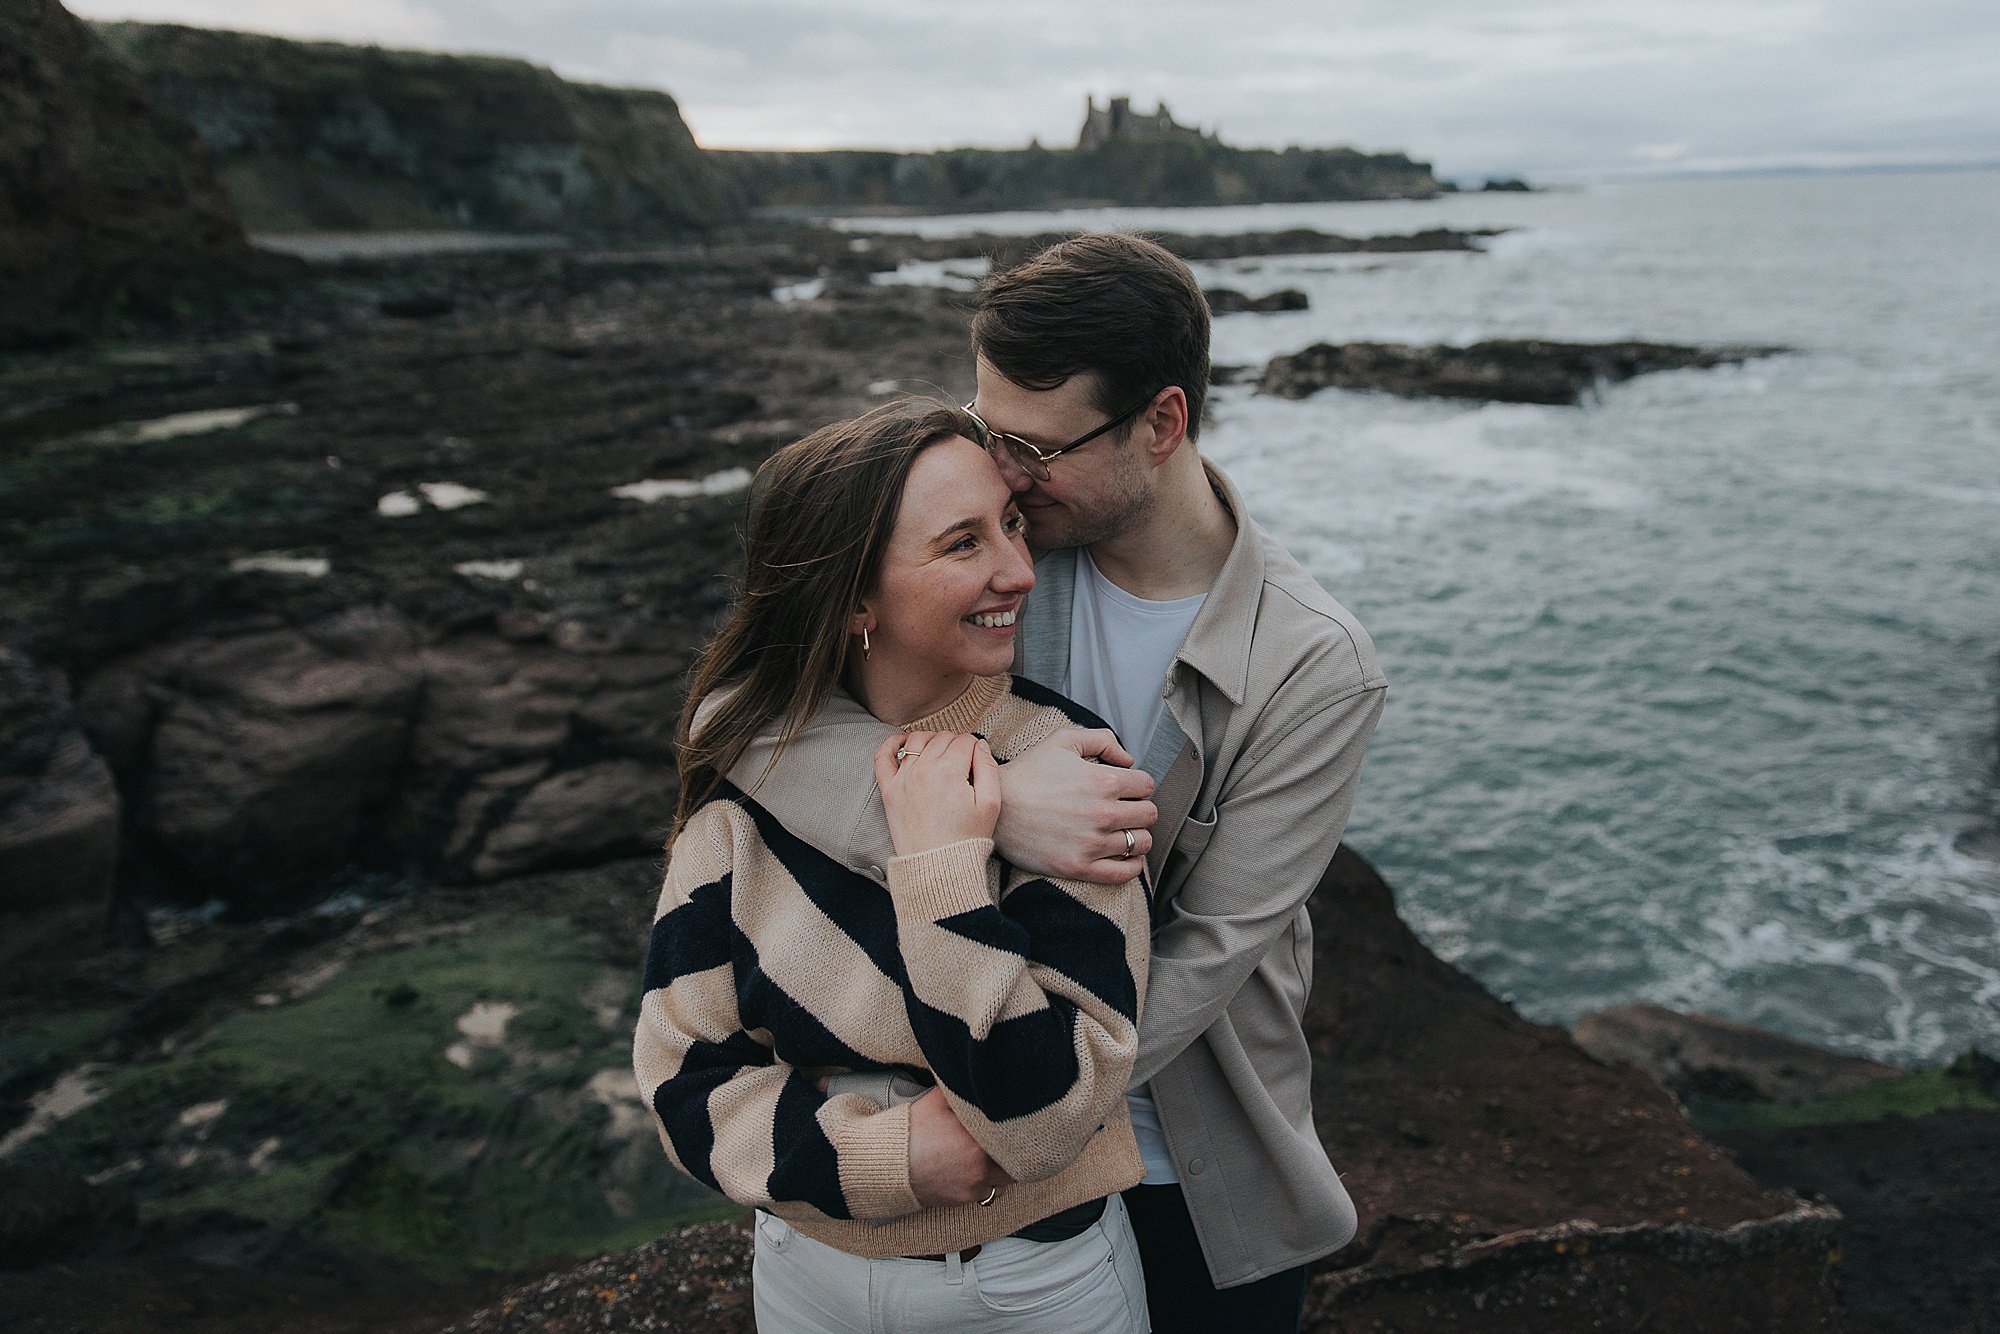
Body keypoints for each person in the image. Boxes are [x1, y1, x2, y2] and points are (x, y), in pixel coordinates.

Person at [733, 232, 1387, 1332]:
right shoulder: (983, 559)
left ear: (1161, 423)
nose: (1001, 473)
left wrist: (1021, 1101)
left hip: (1180, 1157)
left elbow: (1213, 946)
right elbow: (744, 723)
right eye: (987, 429)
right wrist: (988, 799)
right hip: (942, 1101)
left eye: (1032, 447)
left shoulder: (1313, 663)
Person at [633, 400, 1153, 1331]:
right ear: (855, 600)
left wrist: (944, 868)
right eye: (961, 544)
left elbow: (1046, 1117)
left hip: (1029, 1292)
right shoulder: (749, 792)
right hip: (802, 1279)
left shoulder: (1073, 769)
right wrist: (887, 1158)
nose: (1018, 570)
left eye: (1011, 524)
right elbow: (681, 1081)